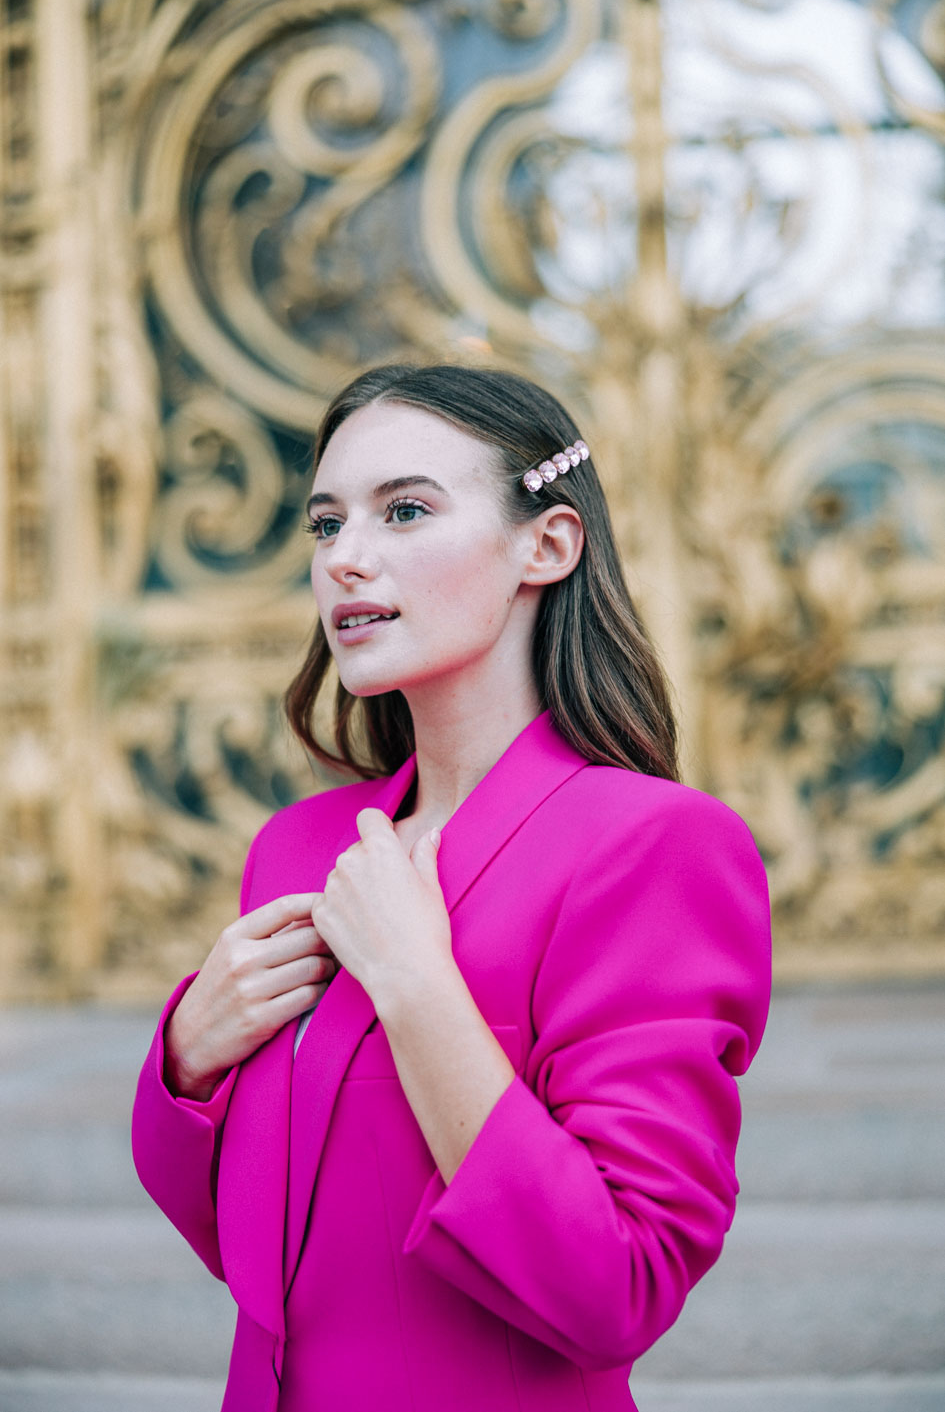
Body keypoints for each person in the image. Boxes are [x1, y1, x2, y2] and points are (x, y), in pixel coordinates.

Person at [132, 363, 771, 1412]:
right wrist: (188, 1057)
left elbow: (619, 1284)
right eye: (326, 522)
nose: (344, 557)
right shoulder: (298, 849)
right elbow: (255, 1250)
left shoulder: (650, 846)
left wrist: (417, 990)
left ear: (546, 545)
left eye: (405, 510)